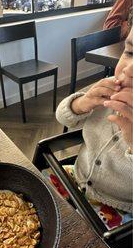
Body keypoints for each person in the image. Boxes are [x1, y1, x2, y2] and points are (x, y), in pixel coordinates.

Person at [54, 27, 133, 229]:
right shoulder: (108, 89)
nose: (129, 70)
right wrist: (82, 103)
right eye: (130, 52)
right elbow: (62, 116)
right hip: (75, 175)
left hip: (118, 209)